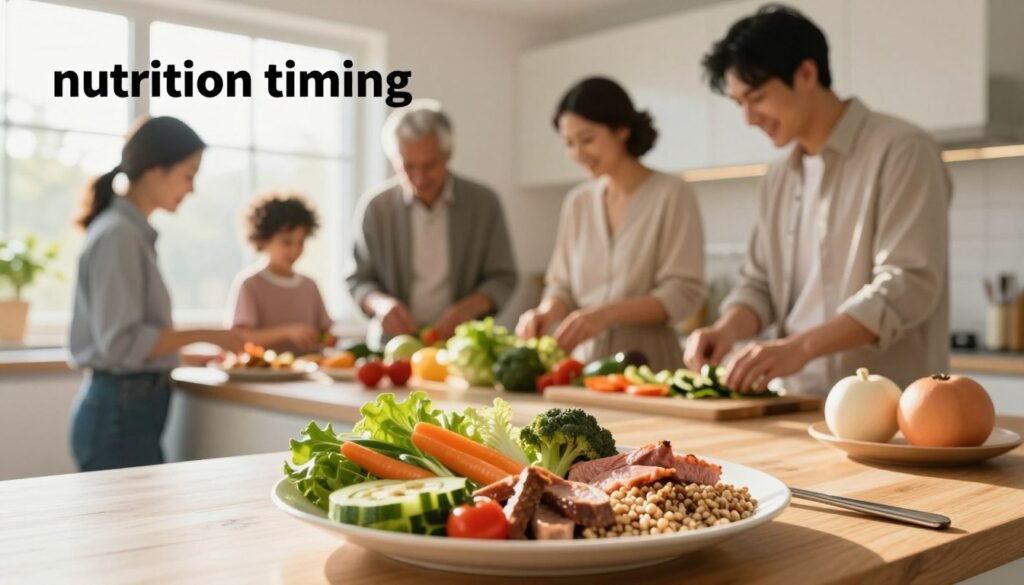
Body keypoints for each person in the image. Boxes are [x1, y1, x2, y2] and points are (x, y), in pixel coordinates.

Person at [685, 4, 951, 393]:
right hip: (792, 401)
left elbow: (907, 285)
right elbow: (758, 284)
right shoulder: (778, 176)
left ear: (807, 74)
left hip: (889, 409)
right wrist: (727, 329)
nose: (748, 117)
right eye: (739, 102)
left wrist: (801, 348)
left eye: (756, 97)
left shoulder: (902, 150)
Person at [67, 116, 244, 472]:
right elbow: (122, 343)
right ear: (153, 170)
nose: (192, 189)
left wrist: (186, 353)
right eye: (189, 174)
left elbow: (128, 339)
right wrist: (209, 334)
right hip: (118, 419)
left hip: (125, 413)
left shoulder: (129, 234)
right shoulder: (119, 236)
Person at [516, 77, 705, 370]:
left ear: (622, 130)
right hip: (582, 368)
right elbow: (561, 285)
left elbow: (683, 294)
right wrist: (546, 312)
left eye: (587, 139)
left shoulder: (672, 195)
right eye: (569, 143)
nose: (577, 154)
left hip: (649, 367)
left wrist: (605, 314)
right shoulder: (577, 202)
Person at [345, 99, 518, 348]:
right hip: (392, 347)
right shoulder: (376, 207)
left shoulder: (483, 203)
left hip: (463, 345)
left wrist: (466, 309)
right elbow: (357, 279)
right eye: (408, 166)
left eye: (429, 166)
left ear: (448, 155)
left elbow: (503, 277)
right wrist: (381, 305)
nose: (419, 178)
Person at [227, 193, 333, 354]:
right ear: (263, 240)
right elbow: (241, 336)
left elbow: (325, 331)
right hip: (263, 374)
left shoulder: (310, 286)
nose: (295, 250)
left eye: (301, 242)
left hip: (309, 372)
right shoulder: (250, 284)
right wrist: (288, 332)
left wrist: (327, 338)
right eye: (287, 242)